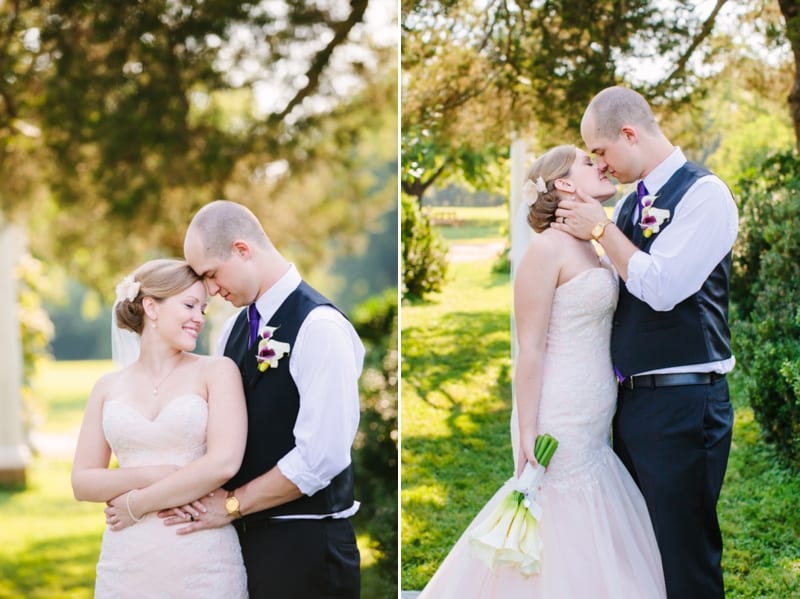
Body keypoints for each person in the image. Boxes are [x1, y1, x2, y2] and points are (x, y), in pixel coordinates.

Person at [417, 145, 666, 598]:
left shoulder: (594, 243)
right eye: (589, 163)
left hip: (594, 416)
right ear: (566, 185)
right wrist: (527, 429)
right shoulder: (545, 251)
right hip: (559, 414)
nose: (601, 166)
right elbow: (528, 350)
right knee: (558, 518)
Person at [553, 85, 738, 599]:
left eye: (602, 152)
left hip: (684, 402)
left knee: (684, 556)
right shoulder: (635, 203)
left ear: (630, 134)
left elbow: (662, 288)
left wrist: (601, 231)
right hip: (631, 404)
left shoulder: (705, 195)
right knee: (640, 554)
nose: (601, 166)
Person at [169, 200, 364, 598]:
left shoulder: (319, 327)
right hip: (243, 546)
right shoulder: (232, 331)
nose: (209, 290)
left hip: (307, 548)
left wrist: (231, 505)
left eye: (211, 274)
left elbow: (321, 456)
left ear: (242, 250)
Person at [71, 258, 248, 597]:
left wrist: (136, 504)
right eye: (189, 305)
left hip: (201, 554)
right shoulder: (107, 387)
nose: (199, 318)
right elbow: (82, 482)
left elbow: (223, 463)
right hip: (126, 559)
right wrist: (157, 474)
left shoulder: (217, 372)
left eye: (203, 309)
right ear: (151, 307)